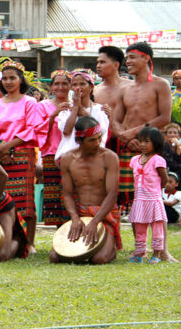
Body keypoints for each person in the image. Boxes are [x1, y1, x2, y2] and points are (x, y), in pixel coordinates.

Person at [0, 61, 42, 251]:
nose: (8, 82)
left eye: (12, 78)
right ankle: (6, 237)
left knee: (25, 199)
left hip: (22, 153)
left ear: (20, 79)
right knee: (2, 197)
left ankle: (29, 242)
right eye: (4, 78)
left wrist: (9, 146)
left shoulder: (30, 102)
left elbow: (32, 129)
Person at [112, 42, 172, 215]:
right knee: (127, 199)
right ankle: (135, 240)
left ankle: (159, 240)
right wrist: (127, 138)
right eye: (127, 58)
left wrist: (133, 132)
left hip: (151, 147)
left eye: (132, 57)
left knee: (151, 198)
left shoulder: (161, 85)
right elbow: (116, 119)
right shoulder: (124, 87)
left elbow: (164, 118)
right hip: (127, 147)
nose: (128, 61)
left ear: (146, 58)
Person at [51, 116, 121, 264]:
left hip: (104, 214)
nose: (97, 143)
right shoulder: (68, 159)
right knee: (55, 257)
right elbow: (67, 194)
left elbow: (112, 194)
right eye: (92, 140)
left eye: (99, 138)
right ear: (79, 141)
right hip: (80, 214)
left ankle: (111, 245)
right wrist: (75, 218)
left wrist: (95, 221)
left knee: (99, 259)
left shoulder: (109, 157)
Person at [128, 125, 169, 264]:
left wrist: (157, 192)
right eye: (141, 141)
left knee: (157, 228)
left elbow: (164, 179)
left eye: (147, 142)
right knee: (139, 227)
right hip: (139, 199)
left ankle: (157, 254)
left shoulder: (157, 160)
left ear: (155, 143)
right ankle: (140, 253)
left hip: (153, 199)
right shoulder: (135, 160)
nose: (142, 145)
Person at [37, 70, 71, 227]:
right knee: (55, 192)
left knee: (71, 191)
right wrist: (53, 116)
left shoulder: (76, 105)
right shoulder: (43, 106)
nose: (61, 87)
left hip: (73, 155)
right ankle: (60, 232)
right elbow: (38, 130)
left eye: (65, 83)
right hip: (52, 154)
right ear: (51, 87)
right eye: (56, 83)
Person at [94, 46, 128, 149]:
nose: (98, 66)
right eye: (98, 62)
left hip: (126, 142)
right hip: (101, 143)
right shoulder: (94, 90)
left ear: (116, 65)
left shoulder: (130, 87)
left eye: (102, 62)